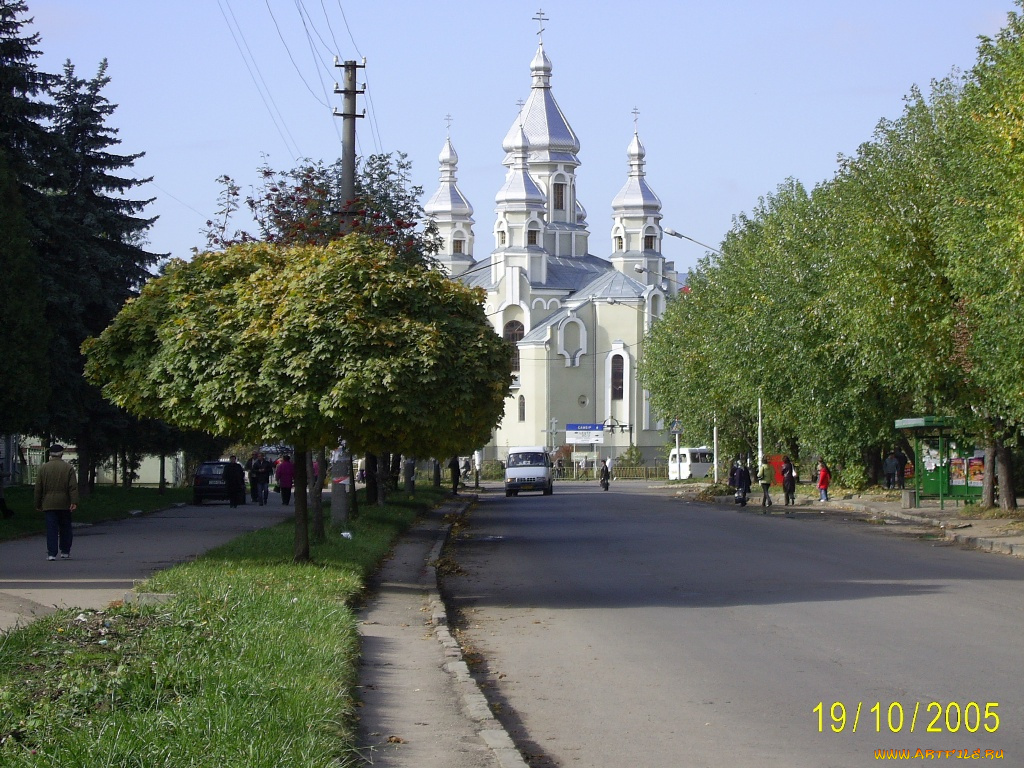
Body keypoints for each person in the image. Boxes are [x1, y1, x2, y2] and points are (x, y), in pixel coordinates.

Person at [34, 444, 78, 561]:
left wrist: (38, 503)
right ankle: (65, 551)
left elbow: (39, 488)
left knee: (51, 529)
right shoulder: (68, 468)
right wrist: (74, 501)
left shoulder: (43, 468)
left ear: (50, 455)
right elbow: (73, 487)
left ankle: (52, 553)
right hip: (64, 502)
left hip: (48, 503)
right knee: (66, 527)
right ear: (62, 454)